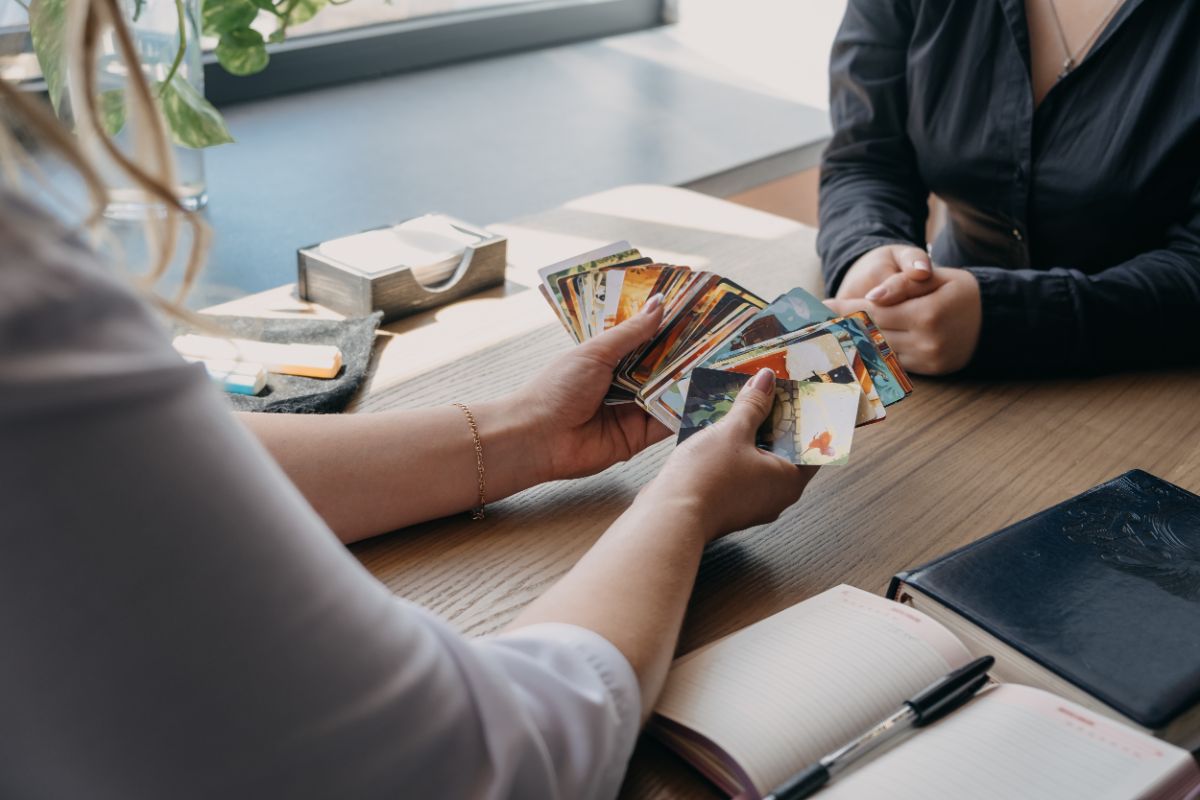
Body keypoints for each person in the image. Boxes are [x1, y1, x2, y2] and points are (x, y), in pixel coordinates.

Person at [0, 3, 814, 798]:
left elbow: (147, 481)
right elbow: (494, 763)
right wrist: (686, 499)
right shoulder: (27, 298)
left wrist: (522, 434)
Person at [818, 0, 1200, 377]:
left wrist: (1010, 317)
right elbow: (866, 157)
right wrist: (868, 249)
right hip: (939, 366)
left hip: (1150, 384)